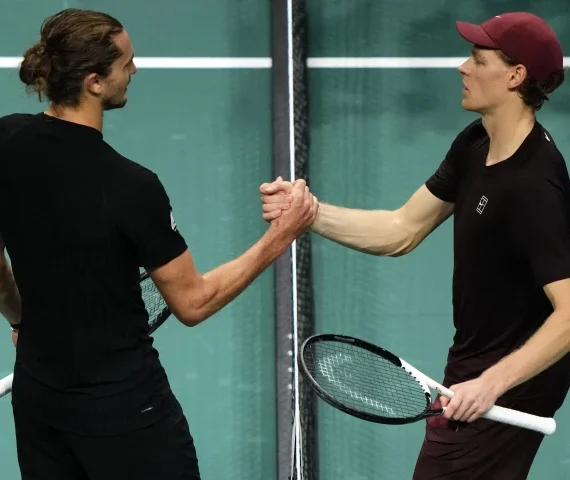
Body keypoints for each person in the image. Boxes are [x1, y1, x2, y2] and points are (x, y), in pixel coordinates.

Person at [0, 8, 317, 480]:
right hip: (126, 413)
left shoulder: (6, 139)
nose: (135, 69)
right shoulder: (131, 186)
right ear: (93, 81)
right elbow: (193, 301)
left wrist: (20, 316)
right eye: (125, 62)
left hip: (39, 400)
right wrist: (280, 236)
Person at [260, 11, 570, 480]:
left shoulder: (533, 186)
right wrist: (310, 214)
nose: (462, 68)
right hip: (475, 359)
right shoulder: (474, 144)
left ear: (515, 75)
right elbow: (402, 228)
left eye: (476, 58)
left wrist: (490, 384)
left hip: (508, 377)